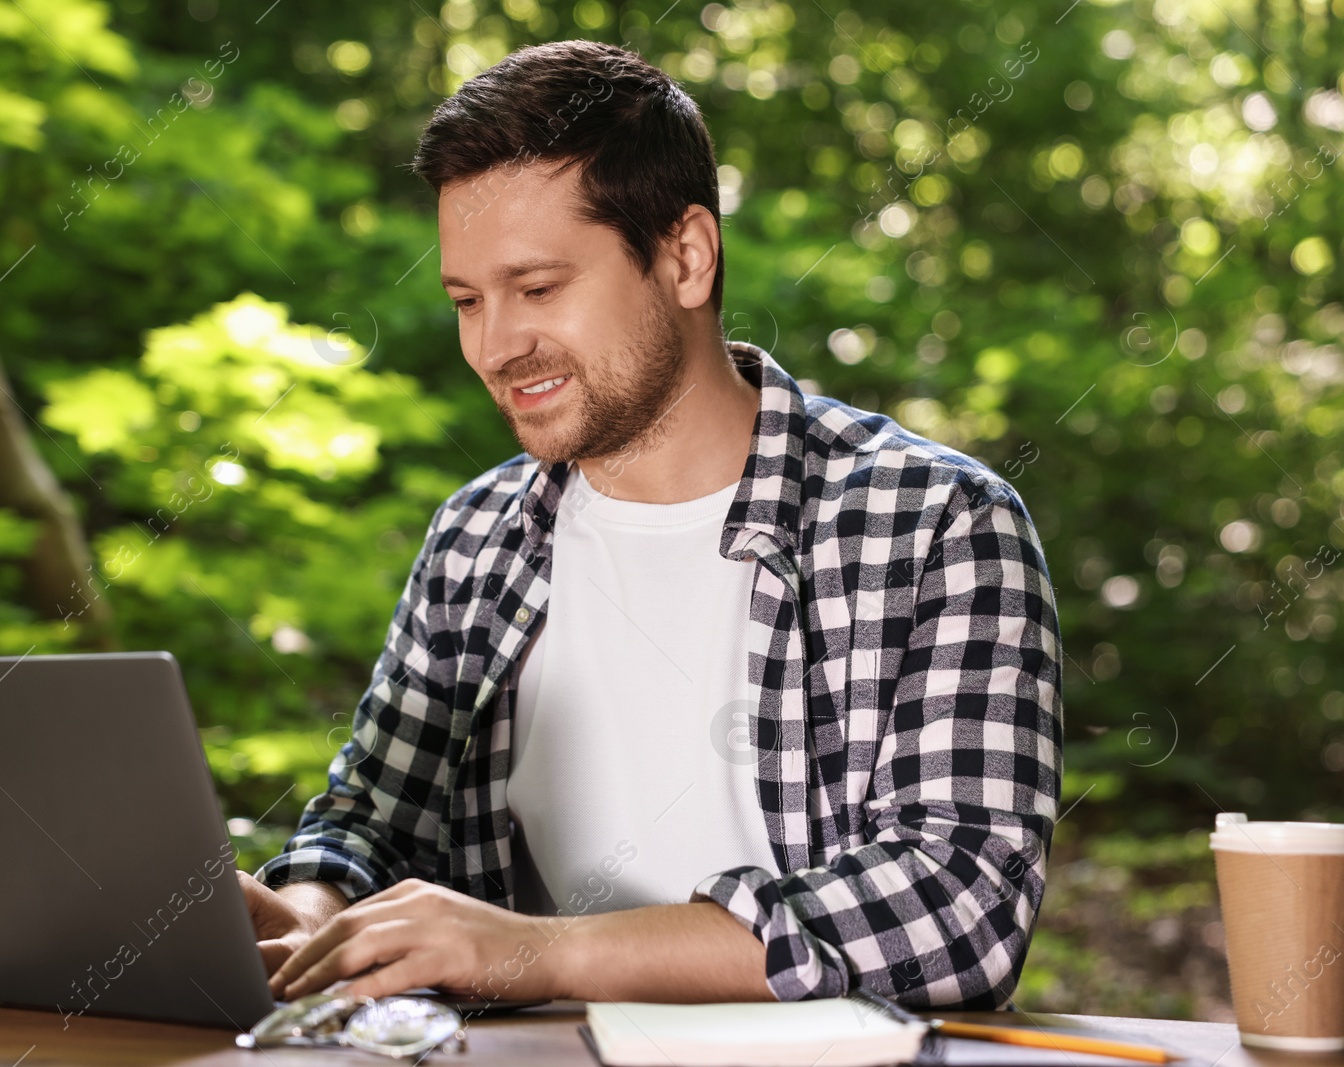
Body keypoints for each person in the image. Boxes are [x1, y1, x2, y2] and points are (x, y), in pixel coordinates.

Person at [237, 38, 1062, 1009]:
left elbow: (957, 903)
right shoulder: (475, 537)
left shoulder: (933, 525)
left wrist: (540, 952)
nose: (496, 344)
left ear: (685, 257)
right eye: (467, 300)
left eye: (538, 288)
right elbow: (374, 814)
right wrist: (310, 912)